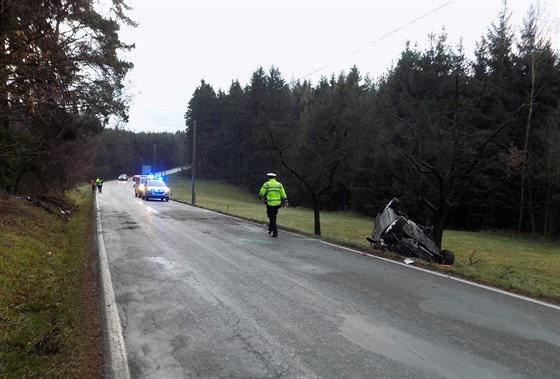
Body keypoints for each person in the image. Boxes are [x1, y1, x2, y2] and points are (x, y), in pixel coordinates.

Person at [259, 173, 288, 238]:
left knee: (271, 217)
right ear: (275, 178)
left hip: (270, 203)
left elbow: (261, 193)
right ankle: (270, 228)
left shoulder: (267, 184)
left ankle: (275, 232)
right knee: (274, 216)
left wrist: (261, 197)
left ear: (268, 177)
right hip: (277, 204)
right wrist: (285, 200)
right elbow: (283, 194)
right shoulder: (279, 184)